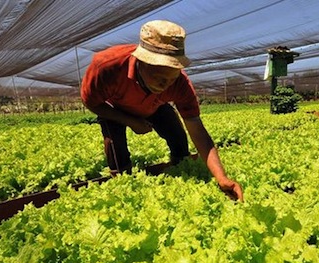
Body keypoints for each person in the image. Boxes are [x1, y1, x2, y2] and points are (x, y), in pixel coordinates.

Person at [80, 20, 243, 201]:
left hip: (154, 106)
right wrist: (131, 121)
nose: (165, 85)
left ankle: (180, 169)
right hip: (114, 108)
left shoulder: (180, 84)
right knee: (116, 147)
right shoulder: (107, 66)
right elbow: (91, 103)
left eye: (171, 79)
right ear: (141, 61)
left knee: (178, 138)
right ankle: (122, 189)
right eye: (159, 78)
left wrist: (221, 178)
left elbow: (196, 128)